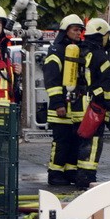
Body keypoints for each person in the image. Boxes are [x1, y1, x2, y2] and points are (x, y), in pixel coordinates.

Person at [76, 18, 110, 188]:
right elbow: (106, 85)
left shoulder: (80, 51)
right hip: (93, 106)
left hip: (77, 104)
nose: (108, 40)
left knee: (80, 141)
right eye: (107, 36)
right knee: (93, 143)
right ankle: (87, 177)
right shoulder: (100, 56)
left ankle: (79, 175)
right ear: (101, 36)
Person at [42, 14, 85, 186]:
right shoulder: (56, 51)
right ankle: (55, 173)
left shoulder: (79, 49)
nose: (78, 33)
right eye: (75, 29)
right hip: (59, 106)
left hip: (75, 105)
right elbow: (51, 80)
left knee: (75, 141)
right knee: (61, 142)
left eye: (80, 30)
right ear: (65, 31)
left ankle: (70, 172)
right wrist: (58, 103)